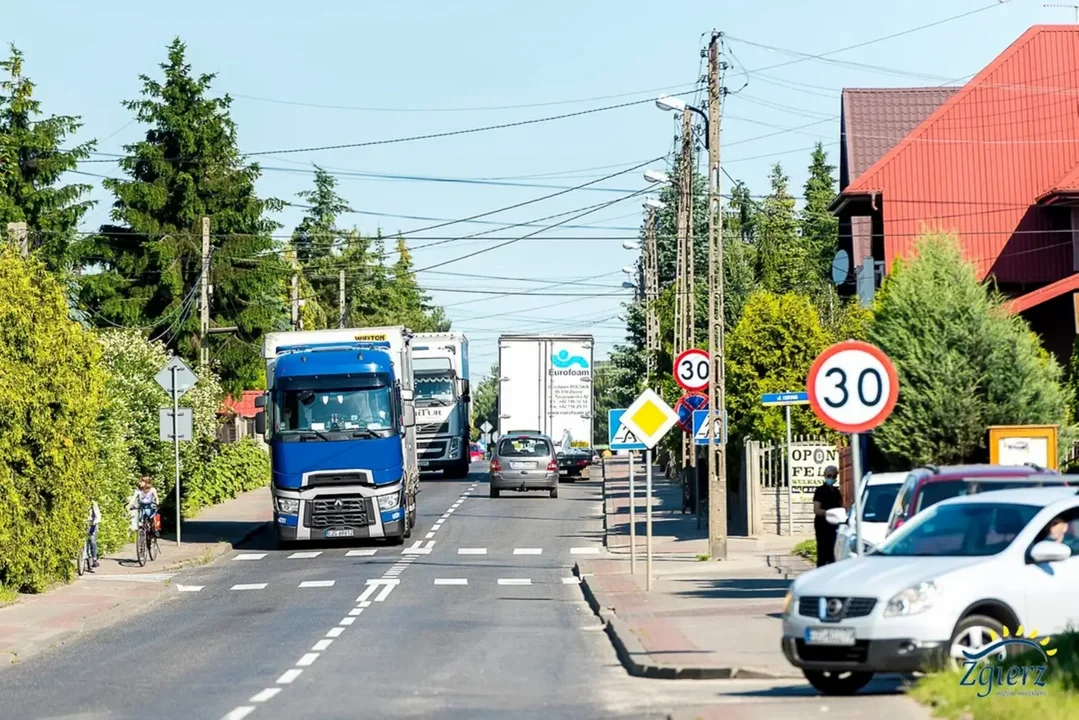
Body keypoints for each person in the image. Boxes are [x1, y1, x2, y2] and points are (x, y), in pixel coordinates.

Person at [813, 465, 843, 567]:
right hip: (822, 524)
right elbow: (816, 510)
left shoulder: (836, 492)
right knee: (823, 550)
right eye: (829, 475)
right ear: (825, 475)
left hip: (834, 524)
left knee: (833, 551)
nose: (831, 478)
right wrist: (829, 513)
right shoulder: (820, 490)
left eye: (834, 476)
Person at [87, 500, 101, 571]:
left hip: (92, 525)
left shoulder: (93, 503)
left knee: (92, 541)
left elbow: (98, 515)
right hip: (84, 524)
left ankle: (94, 559)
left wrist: (95, 521)